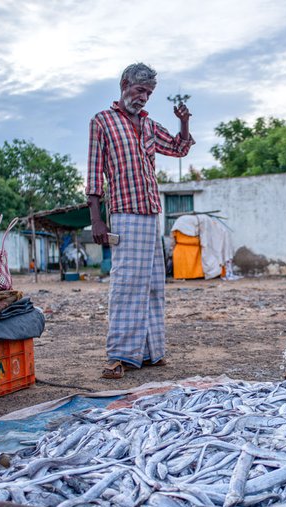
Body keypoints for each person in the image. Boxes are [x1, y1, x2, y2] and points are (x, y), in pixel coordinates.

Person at [86, 62, 194, 379]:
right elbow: (94, 174)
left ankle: (150, 353)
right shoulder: (102, 122)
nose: (144, 97)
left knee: (152, 286)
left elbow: (179, 148)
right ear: (124, 84)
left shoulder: (148, 125)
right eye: (139, 90)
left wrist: (184, 123)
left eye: (148, 93)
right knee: (126, 285)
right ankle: (119, 355)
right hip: (124, 213)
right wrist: (97, 220)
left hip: (151, 212)